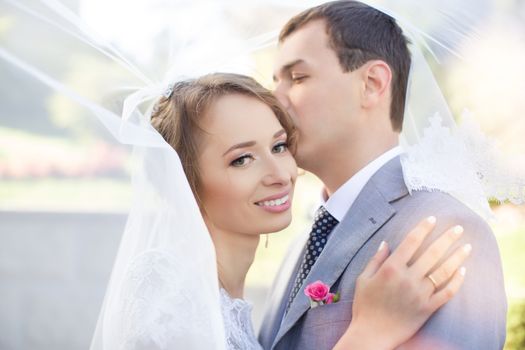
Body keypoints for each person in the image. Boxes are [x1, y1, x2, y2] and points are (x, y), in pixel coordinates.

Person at [150, 73, 470, 349]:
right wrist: (369, 334)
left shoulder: (220, 291)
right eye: (242, 159)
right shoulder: (171, 303)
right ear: (183, 181)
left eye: (279, 146)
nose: (280, 174)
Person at [260, 1, 507, 349]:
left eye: (298, 77)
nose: (274, 100)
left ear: (372, 83)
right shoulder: (301, 241)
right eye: (276, 81)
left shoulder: (443, 232)